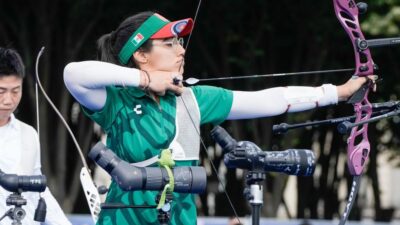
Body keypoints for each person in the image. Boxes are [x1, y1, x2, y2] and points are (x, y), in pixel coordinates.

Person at [63, 11, 375, 225]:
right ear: (140, 54)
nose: (180, 51)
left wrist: (339, 92)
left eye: (180, 43)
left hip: (180, 218)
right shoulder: (116, 100)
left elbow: (271, 99)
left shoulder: (195, 98)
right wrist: (144, 81)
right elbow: (73, 74)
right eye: (168, 43)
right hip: (124, 219)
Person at [0, 47, 71, 224]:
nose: (9, 100)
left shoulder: (28, 134)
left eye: (16, 91)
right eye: (1, 91)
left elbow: (39, 190)